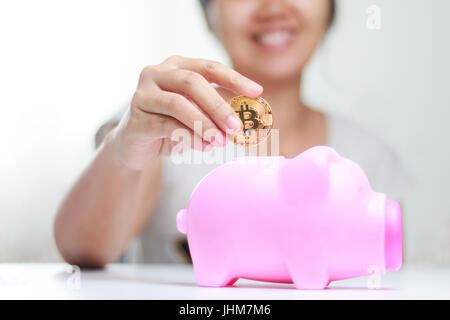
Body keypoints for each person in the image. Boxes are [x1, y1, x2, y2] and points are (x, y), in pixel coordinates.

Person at [54, 0, 409, 267]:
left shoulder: (369, 156)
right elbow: (84, 251)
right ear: (210, 13)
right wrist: (122, 151)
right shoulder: (160, 121)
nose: (273, 7)